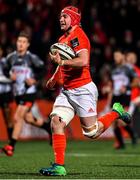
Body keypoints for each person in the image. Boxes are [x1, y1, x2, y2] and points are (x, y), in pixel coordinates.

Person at [39, 6, 131, 176]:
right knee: (56, 121)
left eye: (65, 16)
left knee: (92, 133)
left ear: (73, 19)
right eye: (60, 16)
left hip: (83, 90)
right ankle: (59, 166)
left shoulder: (79, 37)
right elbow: (63, 63)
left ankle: (116, 112)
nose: (61, 19)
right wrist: (54, 78)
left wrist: (63, 63)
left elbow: (83, 61)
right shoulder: (62, 38)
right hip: (67, 91)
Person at [1, 31, 51, 156]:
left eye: (24, 42)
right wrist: (9, 75)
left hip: (29, 92)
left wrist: (34, 79)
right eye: (19, 41)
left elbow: (43, 69)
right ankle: (48, 127)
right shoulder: (11, 57)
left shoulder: (31, 58)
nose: (21, 44)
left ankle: (10, 146)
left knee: (18, 117)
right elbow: (6, 69)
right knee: (28, 119)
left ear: (28, 45)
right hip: (18, 93)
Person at [108, 49, 138, 149]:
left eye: (117, 56)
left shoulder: (128, 68)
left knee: (121, 119)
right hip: (115, 96)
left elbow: (137, 82)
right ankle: (121, 143)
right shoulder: (113, 68)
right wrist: (108, 88)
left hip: (125, 96)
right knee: (114, 122)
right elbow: (112, 83)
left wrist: (127, 87)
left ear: (122, 56)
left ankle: (133, 134)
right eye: (114, 56)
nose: (115, 58)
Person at [0, 47, 14, 141]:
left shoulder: (6, 62)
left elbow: (12, 77)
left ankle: (11, 143)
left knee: (8, 118)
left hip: (5, 93)